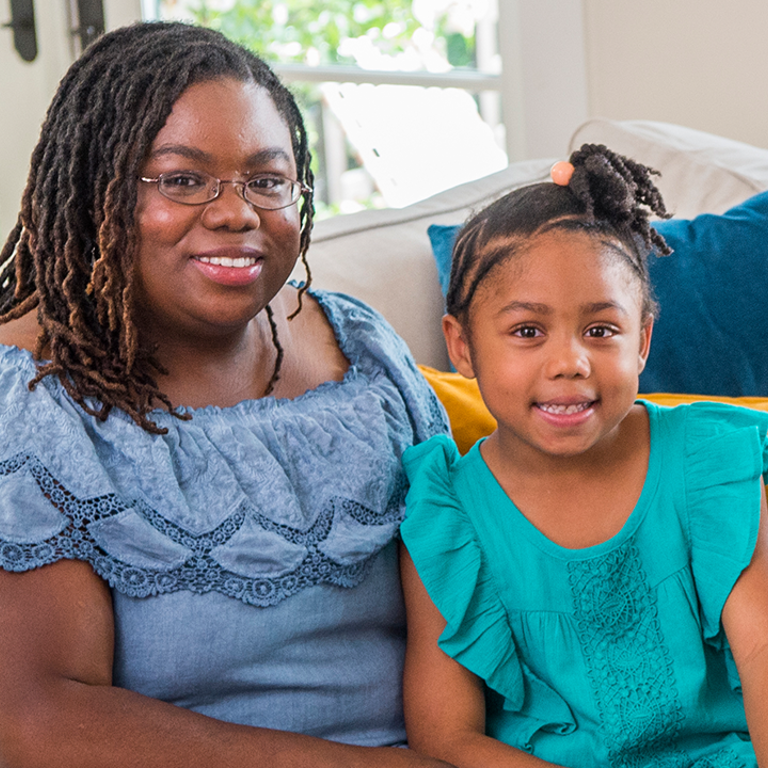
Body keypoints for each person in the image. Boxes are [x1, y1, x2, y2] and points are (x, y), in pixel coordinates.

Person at [0, 21, 454, 768]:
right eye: (182, 180)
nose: (235, 212)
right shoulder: (32, 398)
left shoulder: (363, 351)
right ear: (92, 192)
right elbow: (36, 718)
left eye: (267, 181)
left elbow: (474, 573)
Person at [399, 144, 768, 768]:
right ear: (461, 346)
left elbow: (762, 654)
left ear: (642, 340)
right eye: (527, 331)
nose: (570, 362)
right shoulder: (449, 519)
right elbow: (446, 736)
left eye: (600, 330)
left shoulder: (710, 465)